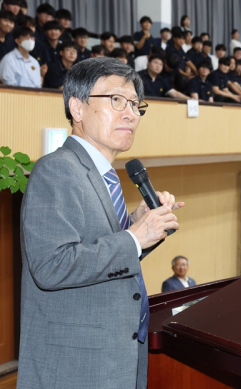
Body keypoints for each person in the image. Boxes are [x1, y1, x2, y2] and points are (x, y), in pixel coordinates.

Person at [18, 57, 184, 388]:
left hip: (114, 358)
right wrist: (135, 239)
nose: (131, 114)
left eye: (136, 105)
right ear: (77, 108)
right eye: (116, 100)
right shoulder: (57, 170)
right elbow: (52, 265)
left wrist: (137, 226)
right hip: (76, 368)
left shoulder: (101, 175)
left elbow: (98, 256)